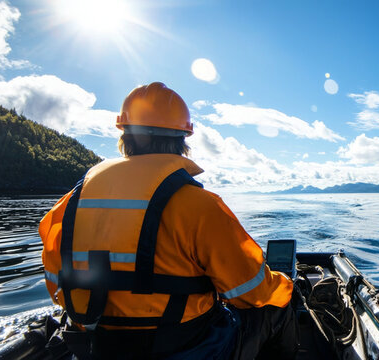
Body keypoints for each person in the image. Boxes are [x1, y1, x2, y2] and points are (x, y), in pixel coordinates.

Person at [39, 82, 297, 359]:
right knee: (279, 306)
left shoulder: (71, 202)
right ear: (182, 141)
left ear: (124, 137)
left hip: (95, 347)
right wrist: (285, 283)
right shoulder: (200, 205)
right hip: (185, 349)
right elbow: (252, 291)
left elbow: (55, 285)